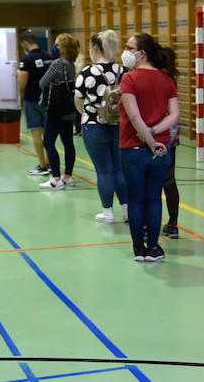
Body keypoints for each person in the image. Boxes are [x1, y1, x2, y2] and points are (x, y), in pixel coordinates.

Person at [118, 33, 179, 262]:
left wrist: (148, 138)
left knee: (136, 200)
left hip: (132, 147)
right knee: (154, 198)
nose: (125, 51)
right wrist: (154, 135)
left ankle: (138, 249)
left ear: (141, 53)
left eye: (129, 47)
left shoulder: (129, 79)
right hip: (161, 148)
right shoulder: (167, 80)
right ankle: (153, 248)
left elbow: (134, 116)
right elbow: (174, 115)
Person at [75, 29, 128, 221]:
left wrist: (89, 115)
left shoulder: (87, 72)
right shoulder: (122, 70)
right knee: (119, 168)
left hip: (94, 126)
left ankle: (107, 212)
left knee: (104, 170)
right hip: (118, 126)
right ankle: (126, 209)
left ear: (95, 48)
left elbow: (78, 100)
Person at [37, 33, 80, 188]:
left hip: (55, 109)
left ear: (64, 48)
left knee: (48, 142)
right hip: (69, 108)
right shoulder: (70, 64)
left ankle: (56, 178)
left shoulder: (57, 64)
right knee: (68, 142)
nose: (54, 48)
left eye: (57, 45)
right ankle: (68, 176)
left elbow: (42, 83)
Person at [17, 30, 53, 175]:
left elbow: (22, 82)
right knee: (49, 134)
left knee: (36, 132)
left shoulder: (26, 60)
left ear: (25, 43)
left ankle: (43, 165)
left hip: (32, 100)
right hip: (49, 100)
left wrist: (19, 77)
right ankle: (51, 164)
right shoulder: (50, 57)